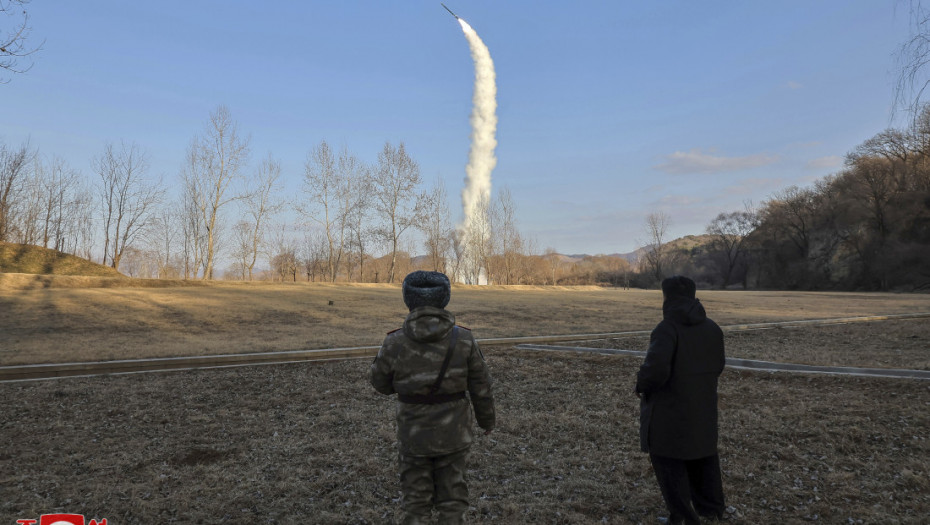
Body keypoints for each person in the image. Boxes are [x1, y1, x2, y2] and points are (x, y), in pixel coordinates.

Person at [370, 270, 496, 525]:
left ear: (408, 299)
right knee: (453, 502)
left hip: (413, 434)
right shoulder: (464, 338)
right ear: (445, 298)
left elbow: (379, 384)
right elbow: (481, 386)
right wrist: (486, 422)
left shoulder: (394, 341)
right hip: (454, 432)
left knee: (415, 504)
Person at [634, 275, 727, 524]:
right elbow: (718, 366)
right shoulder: (713, 328)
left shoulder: (666, 329)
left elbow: (655, 371)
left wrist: (640, 384)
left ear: (667, 297)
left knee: (668, 463)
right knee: (703, 457)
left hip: (669, 412)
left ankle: (684, 517)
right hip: (703, 408)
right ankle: (712, 510)